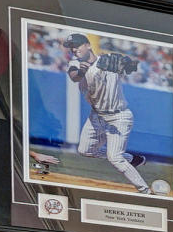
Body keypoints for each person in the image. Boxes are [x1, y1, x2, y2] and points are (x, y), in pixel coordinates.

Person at [63, 36, 159, 193]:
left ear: (88, 45)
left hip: (118, 116)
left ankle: (145, 192)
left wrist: (127, 63)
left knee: (115, 157)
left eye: (77, 45)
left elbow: (132, 67)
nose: (74, 49)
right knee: (85, 151)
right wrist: (83, 70)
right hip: (96, 116)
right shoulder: (74, 64)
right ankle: (132, 159)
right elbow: (75, 77)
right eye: (71, 47)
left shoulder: (108, 61)